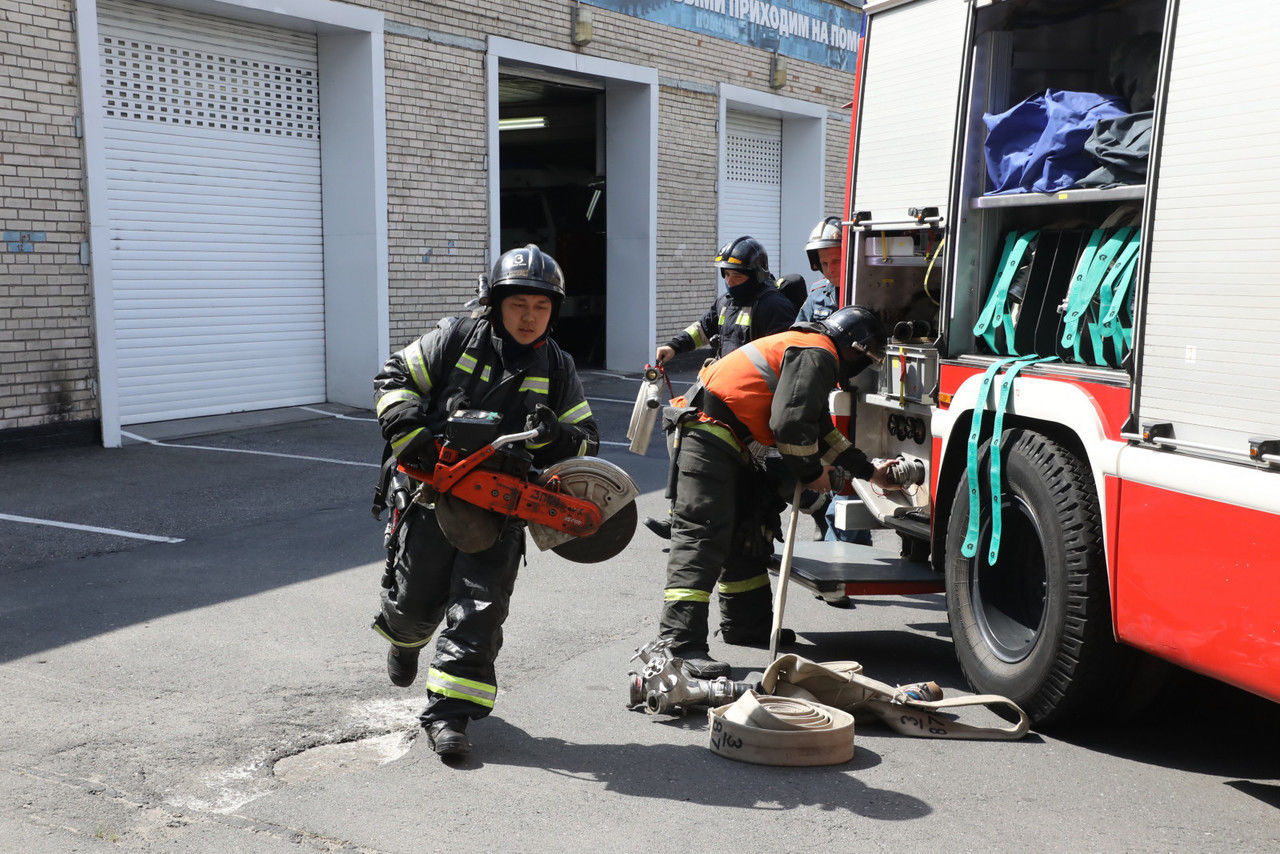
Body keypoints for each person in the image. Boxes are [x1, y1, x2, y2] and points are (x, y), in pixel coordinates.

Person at [371, 244, 600, 759]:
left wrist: (553, 435)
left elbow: (588, 438)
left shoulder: (558, 366)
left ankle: (449, 715)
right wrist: (409, 431)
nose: (529, 317)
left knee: (480, 609)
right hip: (434, 494)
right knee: (415, 603)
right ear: (496, 303)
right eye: (519, 304)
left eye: (541, 307)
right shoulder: (455, 337)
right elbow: (393, 379)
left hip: (504, 507)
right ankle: (405, 641)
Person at [657, 306, 899, 677]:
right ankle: (681, 645)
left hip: (731, 439)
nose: (860, 370)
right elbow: (788, 425)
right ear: (855, 349)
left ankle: (746, 625)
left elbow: (821, 431)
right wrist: (812, 472)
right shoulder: (819, 354)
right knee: (701, 537)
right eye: (865, 360)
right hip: (710, 433)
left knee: (750, 532)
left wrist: (870, 472)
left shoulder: (811, 350)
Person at [644, 236, 795, 540]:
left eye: (736, 275)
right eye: (725, 274)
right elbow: (702, 328)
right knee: (680, 428)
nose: (729, 281)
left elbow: (786, 360)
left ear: (756, 274)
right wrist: (673, 347)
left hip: (752, 402)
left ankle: (812, 510)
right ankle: (681, 516)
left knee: (755, 470)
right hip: (719, 393)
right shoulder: (726, 301)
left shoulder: (774, 306)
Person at [796, 216, 843, 324]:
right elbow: (799, 333)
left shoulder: (863, 292)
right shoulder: (817, 293)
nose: (830, 270)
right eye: (824, 263)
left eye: (836, 261)